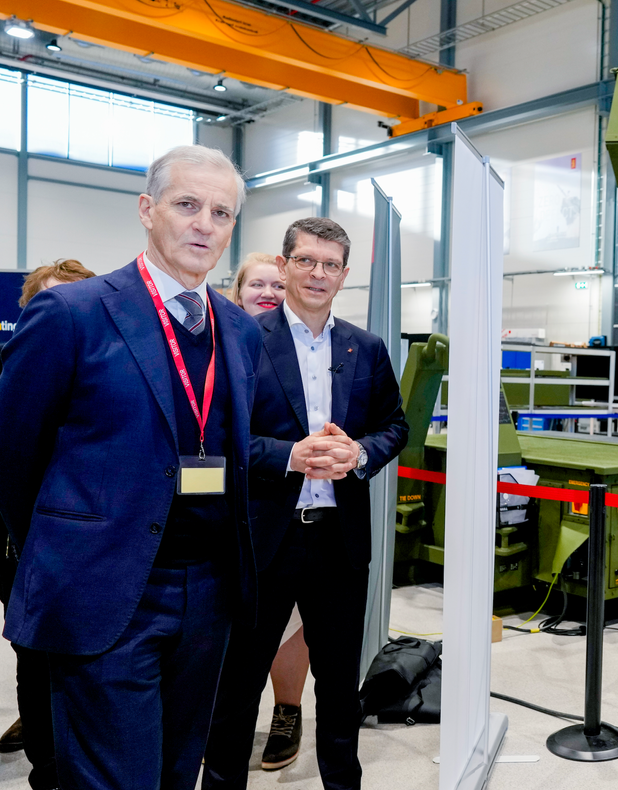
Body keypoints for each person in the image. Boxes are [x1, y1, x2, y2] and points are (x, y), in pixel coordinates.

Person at [0, 144, 264, 790]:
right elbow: (11, 458)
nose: (204, 224)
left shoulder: (239, 330)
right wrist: (67, 548)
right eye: (187, 204)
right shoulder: (72, 314)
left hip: (207, 595)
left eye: (221, 213)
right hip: (106, 589)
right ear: (147, 209)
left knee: (176, 773)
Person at [202, 216, 409, 790]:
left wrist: (359, 453)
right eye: (306, 261)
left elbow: (395, 426)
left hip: (339, 543)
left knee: (340, 687)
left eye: (331, 265)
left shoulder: (366, 348)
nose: (319, 273)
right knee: (238, 686)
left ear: (345, 274)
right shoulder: (242, 339)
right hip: (264, 537)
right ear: (285, 265)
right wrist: (288, 456)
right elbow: (216, 435)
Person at [0, 259, 96, 790]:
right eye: (48, 300)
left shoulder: (107, 362)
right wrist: (45, 524)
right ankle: (47, 763)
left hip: (97, 537)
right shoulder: (1, 361)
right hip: (21, 538)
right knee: (35, 651)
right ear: (28, 309)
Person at [231, 249, 311, 770]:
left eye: (277, 286)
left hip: (293, 508)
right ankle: (224, 720)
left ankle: (287, 711)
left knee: (293, 623)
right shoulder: (224, 346)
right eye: (256, 285)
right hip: (234, 506)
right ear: (237, 293)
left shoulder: (310, 348)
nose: (268, 293)